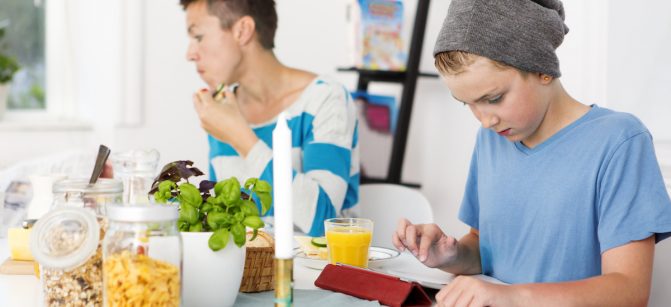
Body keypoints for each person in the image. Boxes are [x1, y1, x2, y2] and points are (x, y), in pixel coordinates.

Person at [392, 0, 671, 305]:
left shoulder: (619, 141)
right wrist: (451, 254)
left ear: (542, 70)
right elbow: (486, 249)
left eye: (494, 98)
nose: (485, 119)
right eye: (467, 103)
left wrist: (511, 296)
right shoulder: (492, 139)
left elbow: (629, 292)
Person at [180, 0, 359, 236]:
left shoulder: (324, 98)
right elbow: (224, 221)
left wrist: (242, 139)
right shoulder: (223, 109)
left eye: (199, 37)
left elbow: (323, 220)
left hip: (317, 269)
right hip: (251, 270)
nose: (189, 54)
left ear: (242, 31)